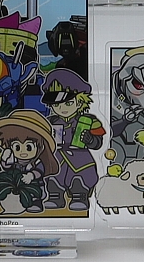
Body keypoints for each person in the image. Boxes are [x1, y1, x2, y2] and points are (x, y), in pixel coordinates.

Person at [42, 69, 104, 212]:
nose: (62, 108)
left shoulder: (87, 120)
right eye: (56, 105)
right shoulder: (51, 121)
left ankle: (79, 197)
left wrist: (90, 140)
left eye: (68, 103)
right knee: (54, 179)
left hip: (80, 160)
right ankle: (55, 197)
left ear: (80, 101)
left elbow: (98, 143)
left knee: (79, 180)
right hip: (57, 159)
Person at [0, 110, 59, 214]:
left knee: (36, 193)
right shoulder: (14, 159)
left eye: (28, 147)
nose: (23, 151)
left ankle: (36, 203)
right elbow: (8, 169)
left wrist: (31, 175)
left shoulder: (37, 162)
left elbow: (39, 170)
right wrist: (5, 160)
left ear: (40, 147)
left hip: (34, 186)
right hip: (18, 188)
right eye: (17, 147)